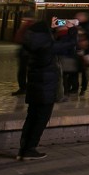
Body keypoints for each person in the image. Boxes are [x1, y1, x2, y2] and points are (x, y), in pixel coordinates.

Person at [17, 17, 78, 160]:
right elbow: (69, 43)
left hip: (35, 86)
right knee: (41, 119)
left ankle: (23, 149)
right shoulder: (47, 45)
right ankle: (30, 149)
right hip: (46, 87)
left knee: (31, 118)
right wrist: (72, 29)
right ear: (44, 33)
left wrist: (50, 28)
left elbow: (48, 41)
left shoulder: (34, 42)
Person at [11, 14, 36, 96]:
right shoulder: (33, 26)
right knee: (28, 70)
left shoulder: (27, 25)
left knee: (23, 70)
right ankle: (28, 87)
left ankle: (23, 88)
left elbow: (19, 38)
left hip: (25, 51)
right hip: (29, 51)